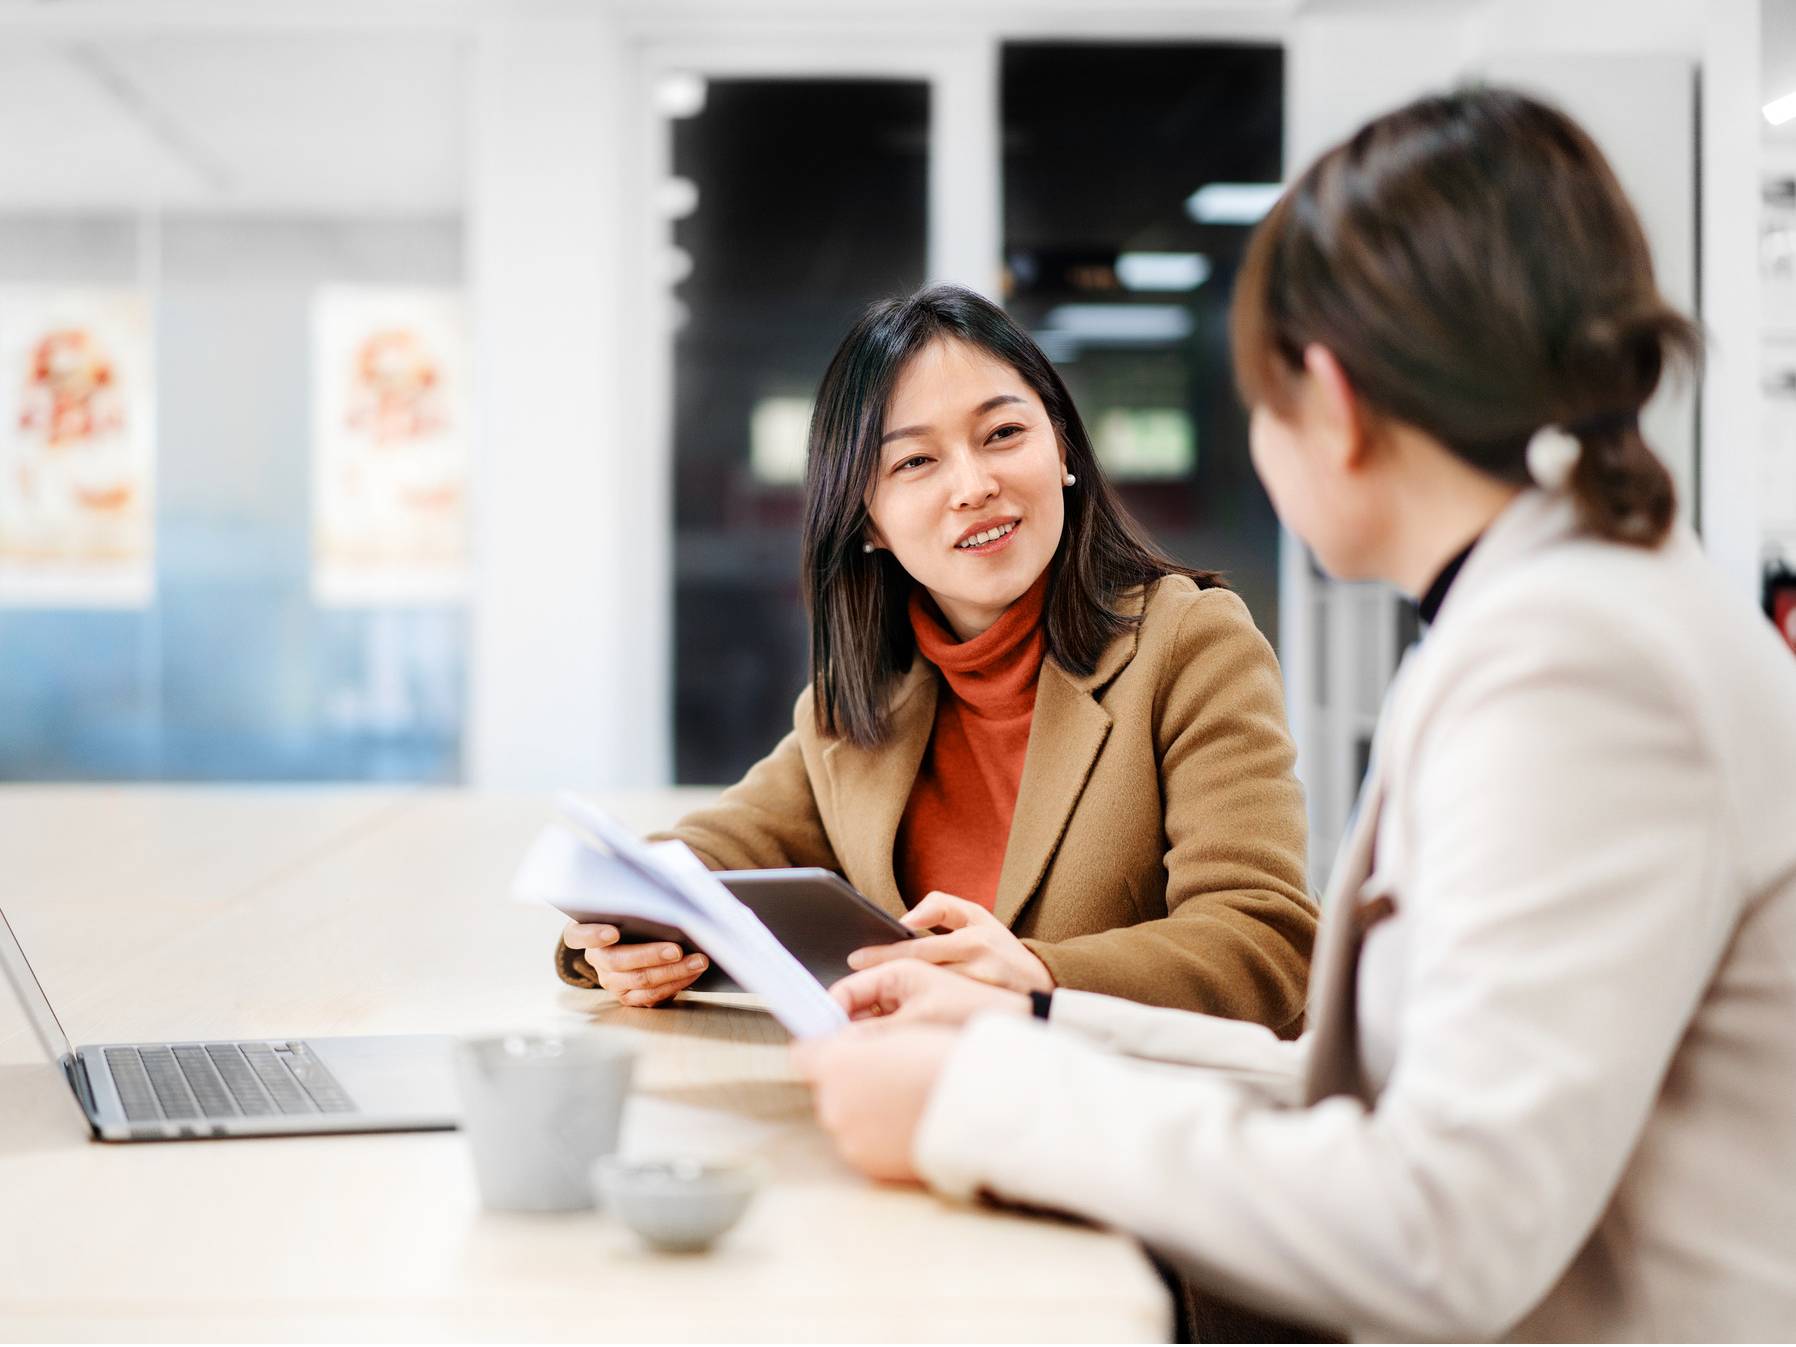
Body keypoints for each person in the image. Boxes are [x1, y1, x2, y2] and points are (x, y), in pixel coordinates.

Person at [796, 89, 1796, 1341]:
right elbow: (1382, 1105)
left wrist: (979, 1104)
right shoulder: (1566, 614)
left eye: (1255, 402)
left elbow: (1440, 1231)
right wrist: (1033, 1022)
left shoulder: (1572, 670)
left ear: (1326, 397)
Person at [558, 284, 1317, 1025]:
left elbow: (1267, 939)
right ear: (867, 522)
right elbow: (699, 858)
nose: (975, 485)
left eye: (1004, 434)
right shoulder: (855, 704)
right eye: (915, 462)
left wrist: (1042, 977)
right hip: (921, 1113)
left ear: (1062, 450)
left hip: (1127, 1125)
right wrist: (615, 938)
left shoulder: (1190, 646)